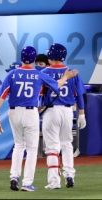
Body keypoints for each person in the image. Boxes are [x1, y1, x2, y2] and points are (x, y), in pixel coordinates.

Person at [0, 46, 78, 192]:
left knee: (19, 145)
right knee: (31, 149)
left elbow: (2, 95)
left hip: (14, 112)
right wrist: (65, 77)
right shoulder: (38, 74)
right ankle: (27, 183)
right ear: (34, 59)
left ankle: (14, 177)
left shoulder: (12, 74)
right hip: (30, 113)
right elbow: (57, 85)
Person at [41, 43, 86, 189]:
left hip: (52, 111)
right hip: (68, 111)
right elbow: (79, 95)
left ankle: (54, 182)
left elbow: (40, 95)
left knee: (52, 148)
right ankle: (69, 176)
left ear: (51, 56)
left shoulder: (44, 72)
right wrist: (82, 114)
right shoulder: (72, 72)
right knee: (67, 144)